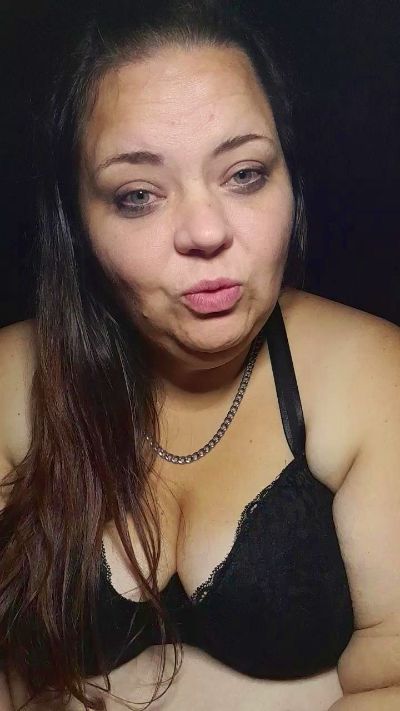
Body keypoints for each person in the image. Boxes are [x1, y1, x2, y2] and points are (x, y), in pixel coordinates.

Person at [0, 1, 399, 709]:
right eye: (138, 195)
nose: (206, 231)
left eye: (244, 174)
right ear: (78, 223)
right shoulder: (11, 384)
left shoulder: (370, 374)